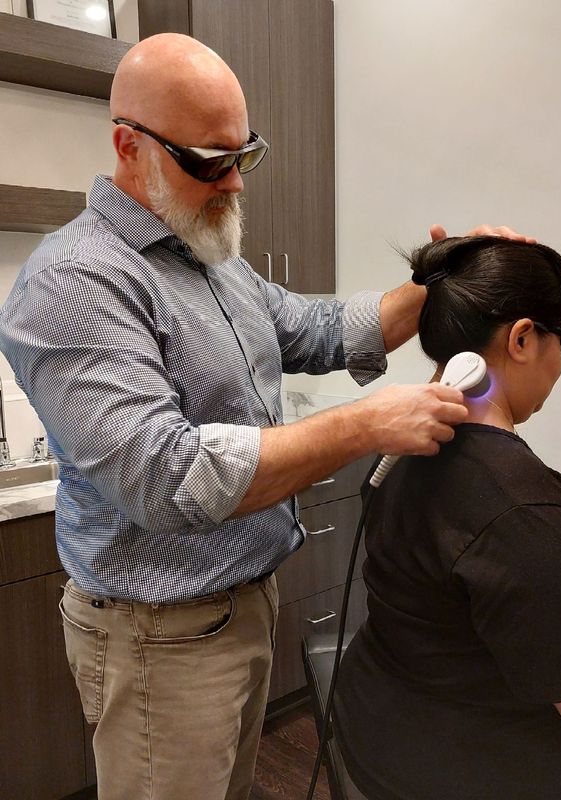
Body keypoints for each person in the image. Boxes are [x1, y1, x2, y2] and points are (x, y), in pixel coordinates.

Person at [0, 32, 528, 800]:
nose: (234, 186)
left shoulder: (206, 256)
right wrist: (365, 425)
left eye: (243, 157)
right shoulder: (77, 282)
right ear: (129, 145)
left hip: (243, 603)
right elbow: (166, 478)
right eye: (210, 163)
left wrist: (439, 286)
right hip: (160, 637)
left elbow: (315, 328)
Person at [333, 235, 561, 800]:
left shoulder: (402, 456)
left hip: (376, 735)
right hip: (468, 770)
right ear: (523, 339)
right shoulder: (524, 518)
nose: (558, 369)